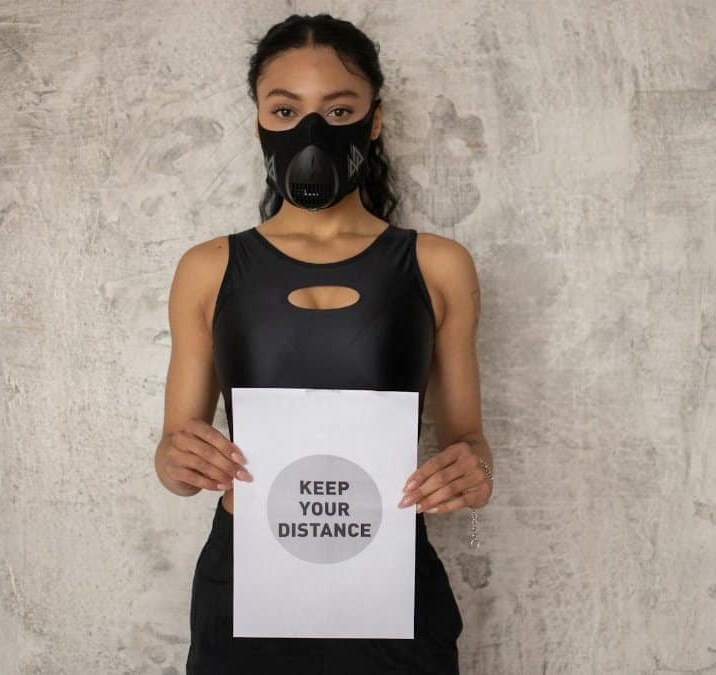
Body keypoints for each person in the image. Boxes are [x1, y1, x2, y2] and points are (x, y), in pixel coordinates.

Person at [153, 13, 494, 674]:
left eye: (338, 108)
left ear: (375, 120)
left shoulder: (438, 265)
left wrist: (472, 470)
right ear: (258, 118)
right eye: (286, 109)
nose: (311, 131)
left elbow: (468, 441)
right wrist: (177, 460)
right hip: (247, 589)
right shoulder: (208, 267)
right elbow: (175, 446)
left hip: (391, 588)